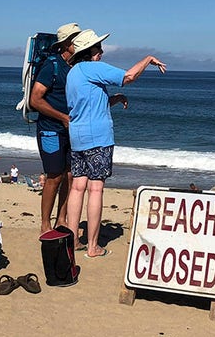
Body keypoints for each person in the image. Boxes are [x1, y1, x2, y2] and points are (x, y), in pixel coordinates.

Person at [63, 29, 166, 258]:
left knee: (77, 187)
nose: (101, 51)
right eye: (98, 48)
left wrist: (114, 100)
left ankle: (73, 242)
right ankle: (92, 246)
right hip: (98, 138)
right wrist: (148, 59)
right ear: (89, 52)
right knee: (96, 188)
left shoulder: (73, 73)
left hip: (78, 137)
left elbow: (85, 105)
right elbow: (128, 77)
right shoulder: (93, 68)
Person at [29, 22, 80, 234]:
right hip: (50, 129)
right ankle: (45, 224)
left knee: (70, 175)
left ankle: (62, 219)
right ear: (66, 44)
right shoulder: (52, 65)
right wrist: (62, 117)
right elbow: (35, 99)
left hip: (70, 129)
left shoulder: (76, 66)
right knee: (54, 176)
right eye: (76, 40)